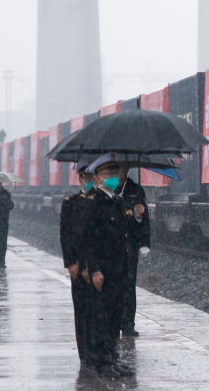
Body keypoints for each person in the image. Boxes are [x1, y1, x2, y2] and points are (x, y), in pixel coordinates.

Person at [80, 155, 134, 379]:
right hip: (103, 269)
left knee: (114, 316)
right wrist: (94, 269)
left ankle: (112, 357)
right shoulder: (93, 203)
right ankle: (102, 362)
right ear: (96, 178)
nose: (113, 177)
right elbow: (89, 240)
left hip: (118, 269)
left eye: (115, 173)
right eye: (107, 174)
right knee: (101, 316)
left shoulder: (116, 201)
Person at [60, 164, 93, 368]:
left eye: (92, 177)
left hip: (99, 264)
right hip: (79, 264)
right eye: (85, 177)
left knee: (101, 310)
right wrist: (70, 262)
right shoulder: (70, 204)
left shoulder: (102, 202)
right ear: (80, 179)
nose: (89, 181)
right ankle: (84, 352)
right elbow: (66, 235)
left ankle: (101, 350)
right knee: (82, 309)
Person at [116, 165, 150, 337]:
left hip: (130, 244)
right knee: (114, 285)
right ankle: (114, 321)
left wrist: (145, 242)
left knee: (129, 285)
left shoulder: (136, 190)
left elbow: (145, 219)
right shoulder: (106, 189)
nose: (120, 173)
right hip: (112, 245)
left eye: (123, 169)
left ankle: (128, 323)